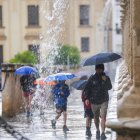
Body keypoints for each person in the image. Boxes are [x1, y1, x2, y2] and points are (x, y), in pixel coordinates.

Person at [84, 64, 112, 140]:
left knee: (103, 116)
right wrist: (86, 98)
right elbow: (87, 89)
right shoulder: (92, 78)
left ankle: (103, 132)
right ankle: (98, 130)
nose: (98, 70)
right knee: (96, 118)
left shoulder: (106, 77)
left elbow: (110, 87)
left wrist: (105, 80)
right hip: (94, 101)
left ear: (102, 69)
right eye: (97, 69)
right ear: (95, 69)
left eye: (100, 69)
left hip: (104, 100)